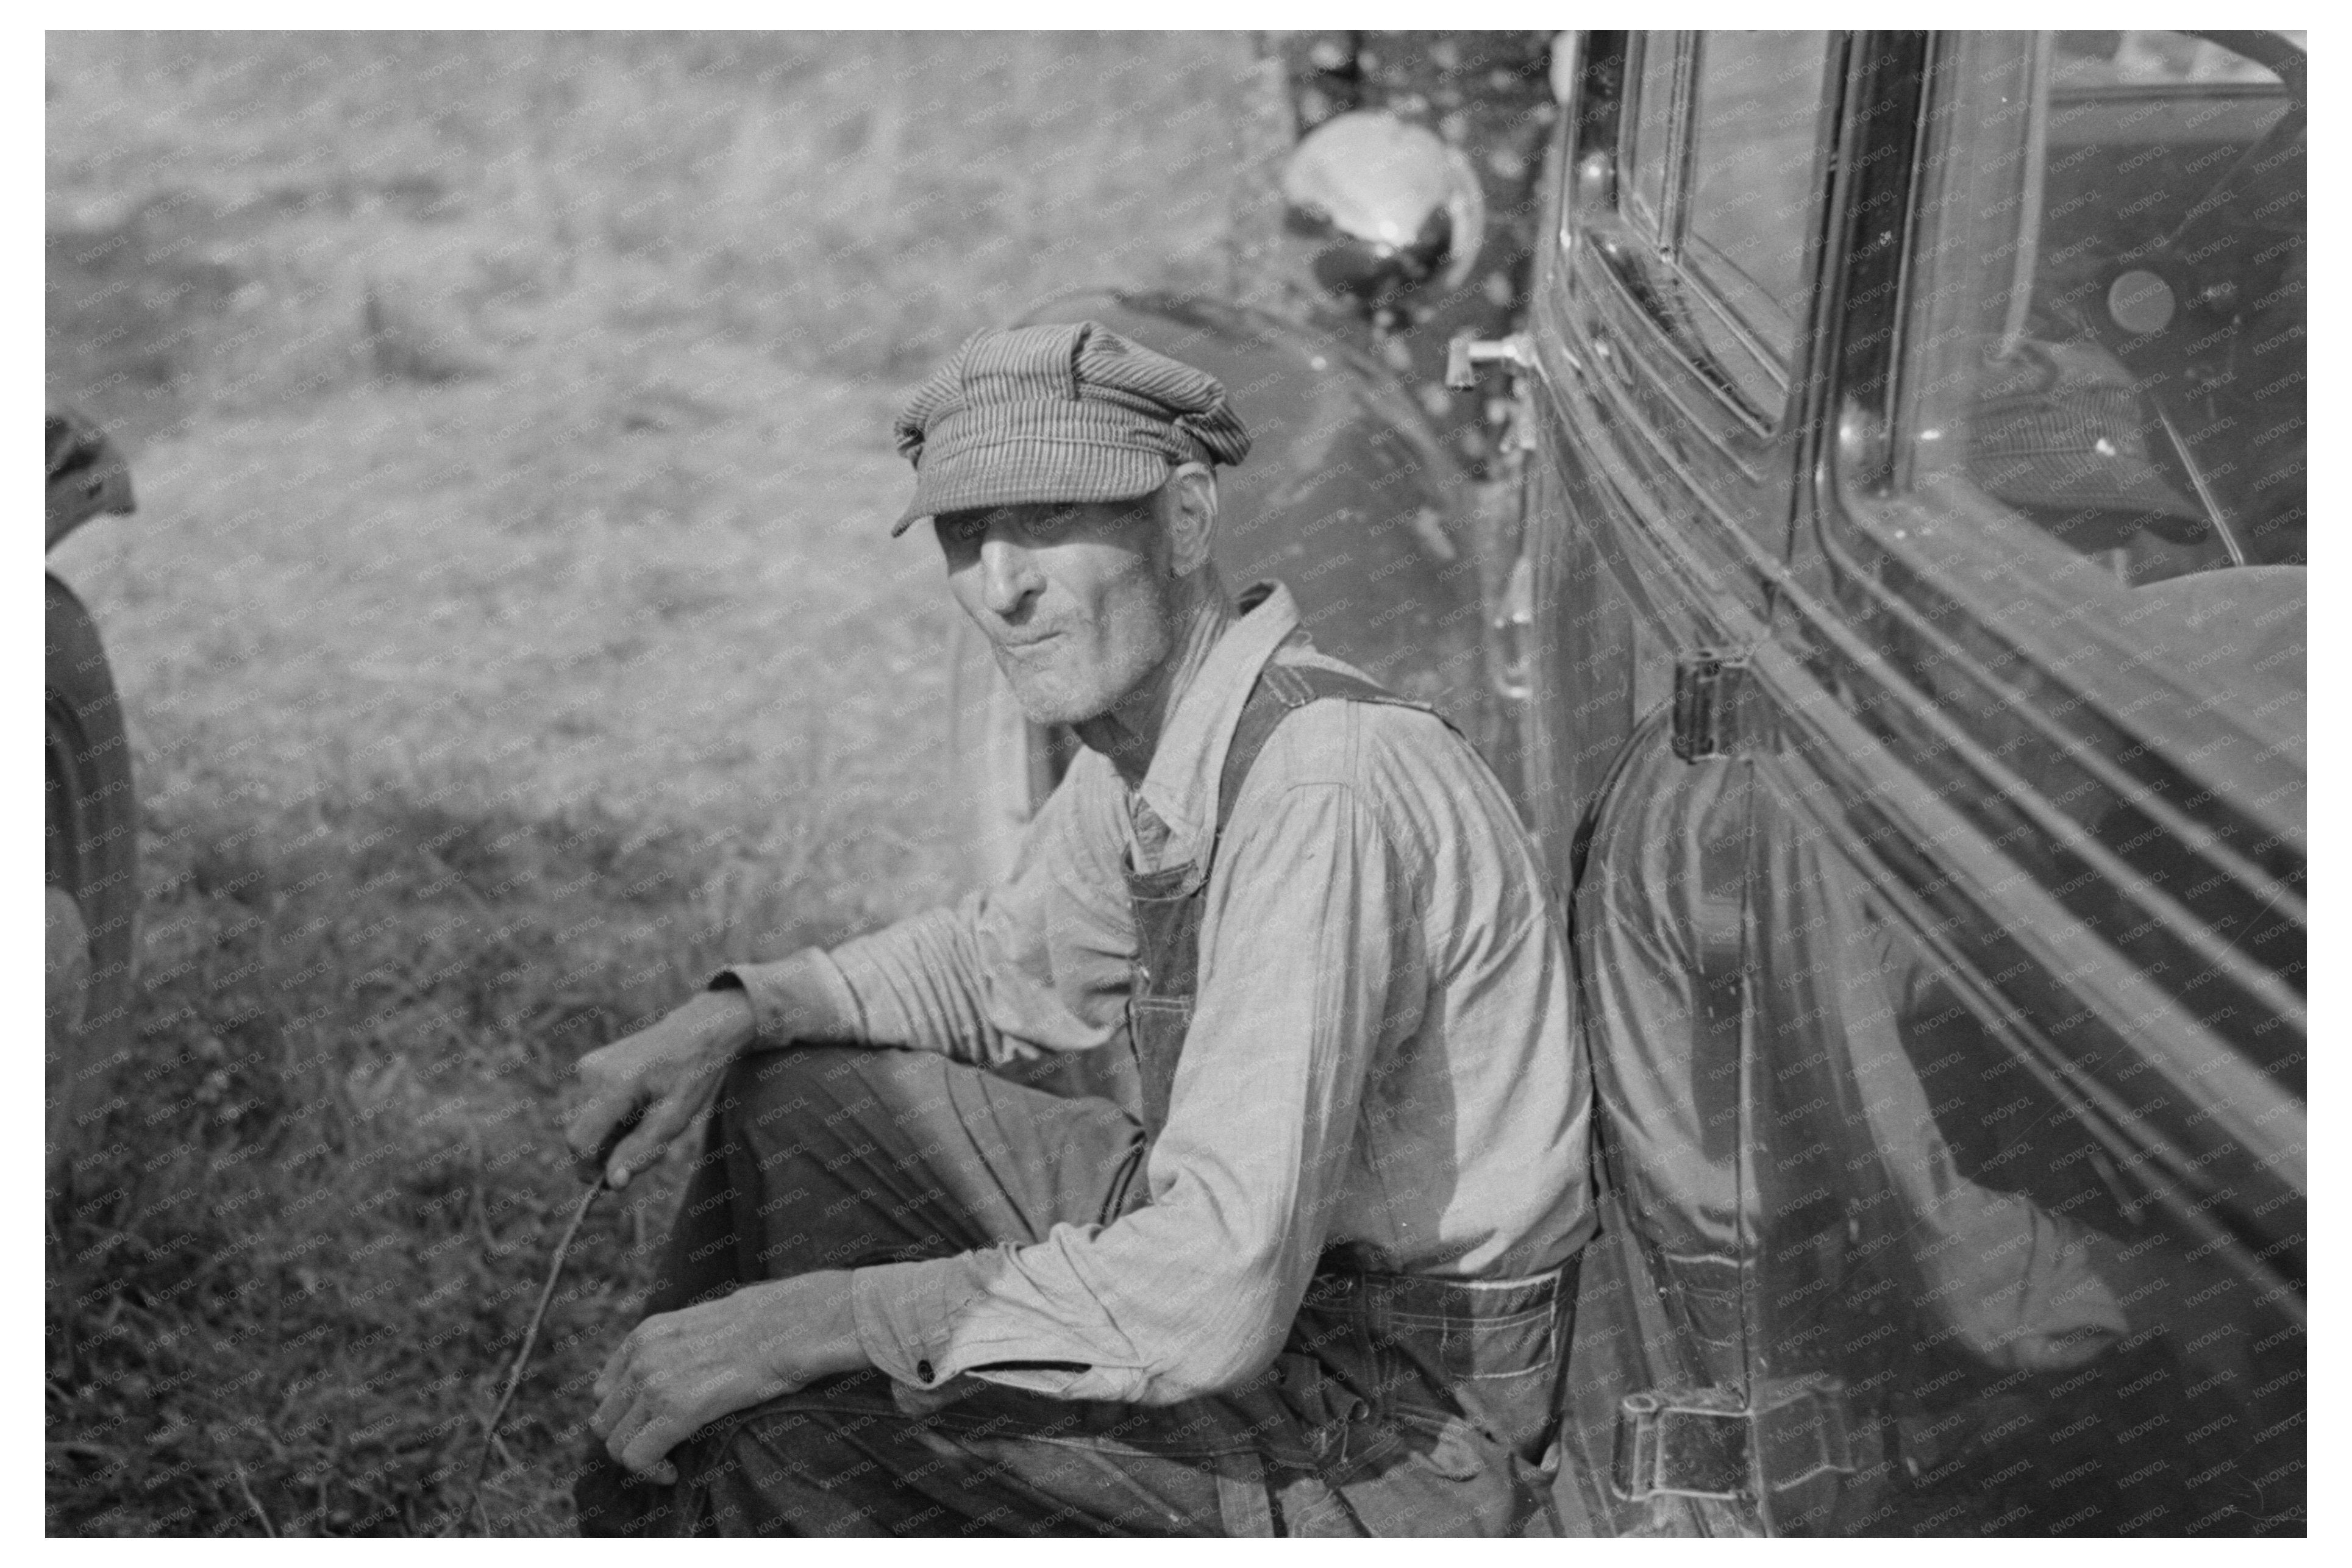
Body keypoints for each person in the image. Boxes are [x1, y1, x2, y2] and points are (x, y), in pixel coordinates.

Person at [565, 319, 1594, 1537]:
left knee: (806, 1431)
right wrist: (732, 1010)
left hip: (1395, 1424)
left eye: (1050, 519)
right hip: (1288, 1297)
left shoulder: (1323, 785)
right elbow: (1007, 962)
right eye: (965, 536)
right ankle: (656, 1490)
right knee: (794, 1101)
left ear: (1188, 520)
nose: (1001, 585)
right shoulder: (1166, 734)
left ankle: (732, 1471)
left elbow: (1216, 1292)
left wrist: (815, 1322)